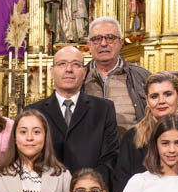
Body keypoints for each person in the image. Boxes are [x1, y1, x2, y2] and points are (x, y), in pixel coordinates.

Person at [25, 45, 118, 184]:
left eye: (76, 64)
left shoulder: (104, 109)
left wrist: (90, 186)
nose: (69, 69)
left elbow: (110, 157)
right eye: (62, 64)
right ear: (51, 72)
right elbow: (27, 156)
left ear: (84, 72)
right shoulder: (33, 112)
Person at [82, 17, 150, 134]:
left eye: (110, 38)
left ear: (121, 43)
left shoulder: (142, 76)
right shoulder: (80, 78)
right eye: (97, 39)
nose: (103, 44)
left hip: (132, 150)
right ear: (89, 45)